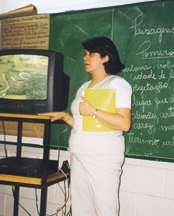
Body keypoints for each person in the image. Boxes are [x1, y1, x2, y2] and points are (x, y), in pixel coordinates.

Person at [40, 36, 132, 216]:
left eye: (91, 54)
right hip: (79, 154)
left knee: (105, 211)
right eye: (85, 53)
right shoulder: (84, 87)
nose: (85, 57)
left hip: (102, 158)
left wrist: (94, 111)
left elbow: (124, 123)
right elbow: (83, 124)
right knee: (81, 211)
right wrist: (66, 116)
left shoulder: (117, 84)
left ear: (106, 57)